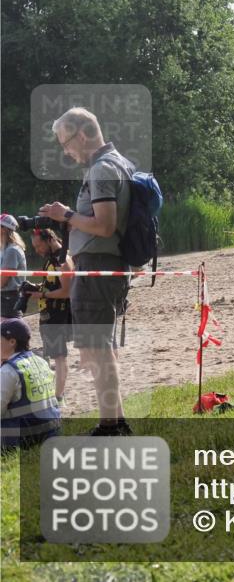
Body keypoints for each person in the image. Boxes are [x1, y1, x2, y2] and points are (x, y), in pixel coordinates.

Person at [35, 107, 134, 435]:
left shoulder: (102, 168)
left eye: (65, 142)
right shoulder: (117, 162)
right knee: (99, 346)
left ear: (81, 134)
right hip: (104, 265)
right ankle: (115, 421)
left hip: (98, 265)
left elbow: (104, 226)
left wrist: (66, 216)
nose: (66, 150)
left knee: (96, 346)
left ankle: (111, 425)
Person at [27, 229, 73, 402]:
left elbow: (67, 291)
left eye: (39, 246)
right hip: (50, 313)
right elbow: (54, 285)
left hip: (57, 315)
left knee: (59, 357)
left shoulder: (61, 258)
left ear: (49, 239)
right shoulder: (53, 258)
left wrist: (43, 295)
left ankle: (58, 396)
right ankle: (56, 393)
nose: (37, 250)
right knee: (55, 355)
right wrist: (38, 288)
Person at [2, 317, 61, 451]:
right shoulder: (40, 360)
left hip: (24, 437)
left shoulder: (9, 370)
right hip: (51, 431)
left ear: (12, 342)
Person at [0, 214, 27, 319]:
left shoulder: (12, 250)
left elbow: (2, 281)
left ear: (4, 229)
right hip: (7, 297)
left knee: (9, 332)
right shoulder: (5, 249)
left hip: (10, 298)